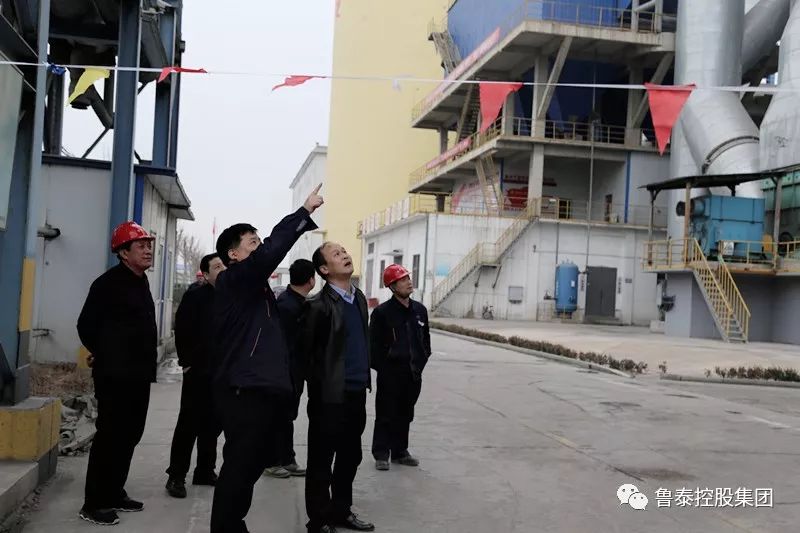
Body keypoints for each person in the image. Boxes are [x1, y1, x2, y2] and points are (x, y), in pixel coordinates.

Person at [209, 185, 323, 533]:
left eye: (259, 241)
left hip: (262, 388)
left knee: (252, 461)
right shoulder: (235, 280)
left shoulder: (257, 290)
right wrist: (303, 213)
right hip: (243, 389)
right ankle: (226, 527)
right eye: (252, 243)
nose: (260, 247)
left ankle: (232, 523)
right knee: (240, 464)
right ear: (233, 254)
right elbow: (270, 253)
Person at [76, 221, 157, 526]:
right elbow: (86, 325)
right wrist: (105, 352)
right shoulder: (107, 284)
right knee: (110, 437)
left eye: (149, 245)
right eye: (141, 246)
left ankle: (113, 492)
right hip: (115, 376)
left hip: (138, 375)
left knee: (130, 435)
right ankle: (94, 503)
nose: (148, 250)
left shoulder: (141, 281)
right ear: (123, 253)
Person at [298, 242, 375, 533]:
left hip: (356, 393)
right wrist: (320, 386)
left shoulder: (359, 299)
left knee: (350, 457)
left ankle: (341, 511)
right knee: (321, 460)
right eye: (336, 254)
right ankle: (318, 521)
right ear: (323, 269)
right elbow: (304, 355)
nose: (345, 255)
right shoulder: (316, 306)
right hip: (328, 397)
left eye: (344, 251)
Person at [165, 253, 226, 498]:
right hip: (198, 370)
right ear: (206, 274)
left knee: (214, 424)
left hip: (222, 372)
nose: (222, 269)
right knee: (188, 424)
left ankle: (205, 471)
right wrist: (187, 363)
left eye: (224, 265)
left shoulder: (231, 296)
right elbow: (182, 329)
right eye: (217, 266)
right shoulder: (196, 296)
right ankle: (176, 476)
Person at [369, 264, 431, 471]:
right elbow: (373, 346)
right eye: (402, 280)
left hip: (413, 374)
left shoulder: (419, 310)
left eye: (408, 278)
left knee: (406, 413)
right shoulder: (382, 313)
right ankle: (381, 453)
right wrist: (385, 367)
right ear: (392, 286)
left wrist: (421, 360)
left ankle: (400, 452)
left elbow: (425, 340)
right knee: (385, 414)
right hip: (390, 375)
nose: (408, 282)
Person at [264, 259, 317, 478]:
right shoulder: (288, 305)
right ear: (311, 280)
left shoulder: (298, 302)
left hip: (295, 370)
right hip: (285, 371)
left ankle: (287, 459)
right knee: (278, 417)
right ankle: (271, 461)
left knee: (287, 417)